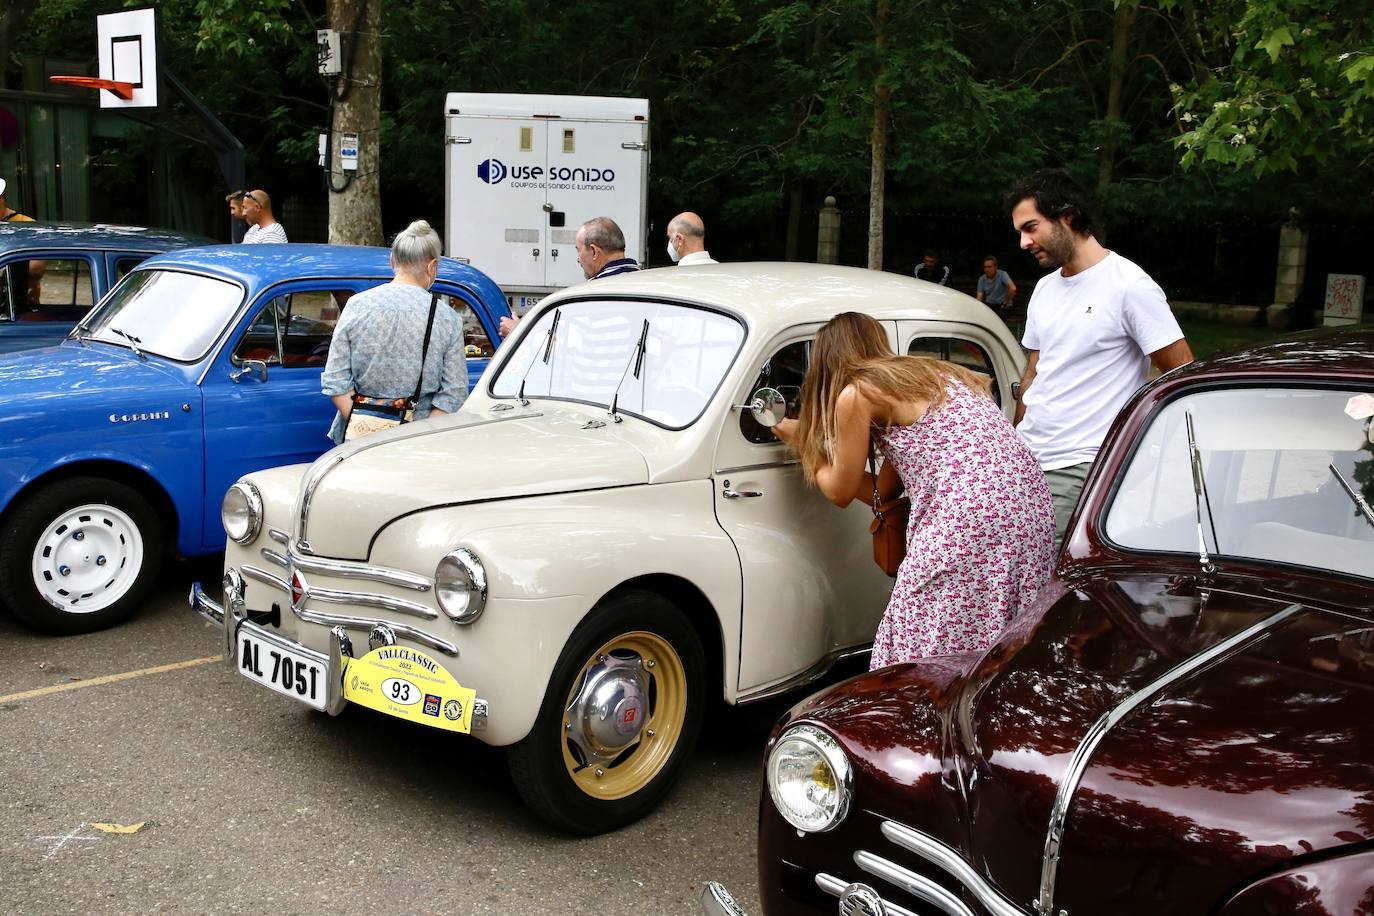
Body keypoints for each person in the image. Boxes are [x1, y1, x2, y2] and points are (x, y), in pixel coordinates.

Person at [773, 312, 1055, 667]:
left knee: (919, 631)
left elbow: (839, 491)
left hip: (970, 517)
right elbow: (884, 490)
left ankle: (921, 709)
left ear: (827, 361)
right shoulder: (936, 375)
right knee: (999, 638)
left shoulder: (858, 392)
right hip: (1029, 507)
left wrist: (800, 441)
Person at [1007, 168, 1193, 544]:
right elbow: (1033, 373)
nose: (1024, 243)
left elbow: (1183, 373)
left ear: (1067, 217)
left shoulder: (1130, 286)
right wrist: (1012, 442)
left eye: (1031, 227)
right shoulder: (1044, 288)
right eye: (1020, 233)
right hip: (1025, 458)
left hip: (1081, 466)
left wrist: (1139, 446)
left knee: (1049, 590)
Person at [321, 219, 467, 443]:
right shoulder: (447, 318)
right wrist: (417, 435)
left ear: (392, 261)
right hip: (419, 443)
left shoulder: (356, 305)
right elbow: (454, 393)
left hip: (358, 441)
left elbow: (335, 381)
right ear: (432, 266)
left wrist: (368, 426)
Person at [498, 216, 637, 338]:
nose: (578, 260)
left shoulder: (593, 296)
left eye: (579, 251)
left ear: (594, 252)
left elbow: (559, 347)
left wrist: (517, 331)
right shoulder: (644, 282)